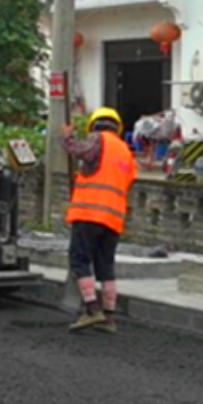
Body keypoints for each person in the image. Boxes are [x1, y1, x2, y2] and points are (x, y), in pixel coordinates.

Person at [63, 107, 138, 334]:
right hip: (113, 218)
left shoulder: (99, 139)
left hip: (89, 213)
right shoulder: (126, 151)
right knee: (105, 265)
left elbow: (80, 151)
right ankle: (109, 315)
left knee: (79, 260)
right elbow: (130, 180)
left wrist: (67, 136)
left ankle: (91, 308)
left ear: (94, 125)